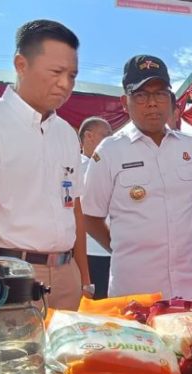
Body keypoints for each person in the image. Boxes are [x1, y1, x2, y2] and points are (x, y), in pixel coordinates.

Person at [0, 19, 90, 310]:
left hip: (67, 274)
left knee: (70, 356)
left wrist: (84, 279)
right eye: (56, 72)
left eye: (72, 75)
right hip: (12, 273)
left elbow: (73, 208)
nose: (65, 84)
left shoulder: (66, 133)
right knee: (18, 355)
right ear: (21, 64)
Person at [83, 55, 192, 300]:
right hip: (136, 291)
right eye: (141, 95)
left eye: (160, 94)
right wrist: (122, 247)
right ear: (125, 102)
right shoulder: (109, 152)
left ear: (170, 100)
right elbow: (90, 216)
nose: (152, 103)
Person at [79, 117, 113, 299]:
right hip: (88, 252)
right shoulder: (73, 167)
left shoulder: (112, 164)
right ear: (89, 136)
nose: (110, 139)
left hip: (115, 250)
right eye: (106, 135)